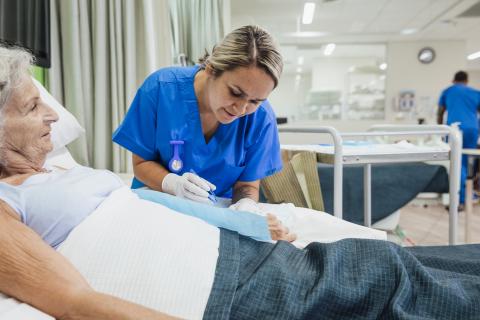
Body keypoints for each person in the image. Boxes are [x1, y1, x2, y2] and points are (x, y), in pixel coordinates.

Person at [2, 46, 480, 320]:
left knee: (383, 260)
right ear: (209, 72)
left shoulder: (57, 172)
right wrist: (170, 185)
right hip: (214, 284)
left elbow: (143, 199)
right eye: (31, 108)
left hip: (226, 244)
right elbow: (74, 300)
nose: (52, 115)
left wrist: (241, 217)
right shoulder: (8, 200)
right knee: (388, 280)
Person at [113, 25, 283, 214]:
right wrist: (173, 184)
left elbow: (247, 185)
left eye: (255, 101)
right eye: (235, 92)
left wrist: (246, 205)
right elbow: (141, 165)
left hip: (218, 210)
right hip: (157, 201)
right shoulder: (160, 89)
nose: (241, 109)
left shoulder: (261, 119)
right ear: (211, 69)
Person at [437, 71, 480, 206]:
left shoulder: (448, 91)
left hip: (454, 130)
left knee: (455, 161)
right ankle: (464, 196)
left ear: (453, 80)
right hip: (472, 129)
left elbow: (440, 112)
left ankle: (457, 197)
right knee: (466, 162)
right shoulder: (475, 92)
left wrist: (440, 129)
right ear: (466, 81)